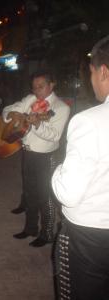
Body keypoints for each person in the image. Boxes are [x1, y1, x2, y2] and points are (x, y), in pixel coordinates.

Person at [51, 36, 109, 299]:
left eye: (92, 72)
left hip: (90, 238)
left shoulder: (89, 121)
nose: (91, 80)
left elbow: (69, 193)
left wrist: (57, 169)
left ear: (104, 72)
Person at [2, 70, 70, 247]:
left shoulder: (61, 108)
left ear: (51, 84)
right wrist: (12, 115)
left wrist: (38, 124)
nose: (37, 90)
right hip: (28, 152)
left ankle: (47, 233)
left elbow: (55, 136)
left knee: (45, 196)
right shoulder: (30, 100)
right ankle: (30, 228)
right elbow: (8, 109)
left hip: (46, 157)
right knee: (30, 193)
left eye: (41, 86)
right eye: (34, 87)